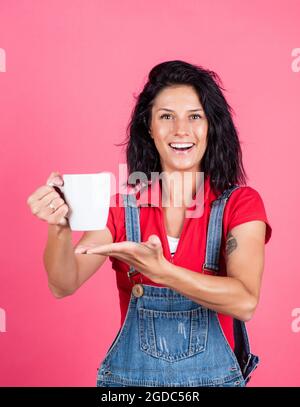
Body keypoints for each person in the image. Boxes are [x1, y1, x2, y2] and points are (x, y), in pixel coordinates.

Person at [27, 60, 272, 387]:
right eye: (166, 116)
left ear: (211, 126)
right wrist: (59, 227)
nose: (181, 130)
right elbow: (63, 283)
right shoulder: (122, 209)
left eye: (195, 116)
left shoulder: (240, 204)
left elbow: (244, 302)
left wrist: (163, 272)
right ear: (149, 128)